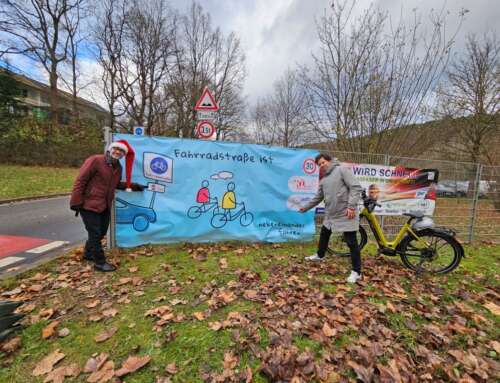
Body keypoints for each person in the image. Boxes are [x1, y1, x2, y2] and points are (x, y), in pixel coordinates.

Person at [70, 140, 145, 272]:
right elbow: (81, 180)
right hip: (88, 204)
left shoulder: (118, 167)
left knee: (101, 232)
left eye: (121, 151)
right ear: (110, 149)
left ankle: (88, 254)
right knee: (95, 233)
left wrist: (134, 186)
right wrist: (76, 201)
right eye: (116, 149)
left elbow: (115, 184)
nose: (118, 152)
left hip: (104, 205)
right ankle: (100, 262)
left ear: (123, 154)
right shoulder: (95, 160)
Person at [299, 153, 364, 283]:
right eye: (319, 165)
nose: (322, 165)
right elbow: (318, 197)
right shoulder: (323, 179)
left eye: (323, 162)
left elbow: (356, 187)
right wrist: (305, 207)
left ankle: (357, 272)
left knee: (351, 241)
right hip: (331, 214)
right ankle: (320, 255)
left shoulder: (341, 170)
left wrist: (351, 206)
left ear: (329, 160)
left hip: (346, 212)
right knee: (324, 233)